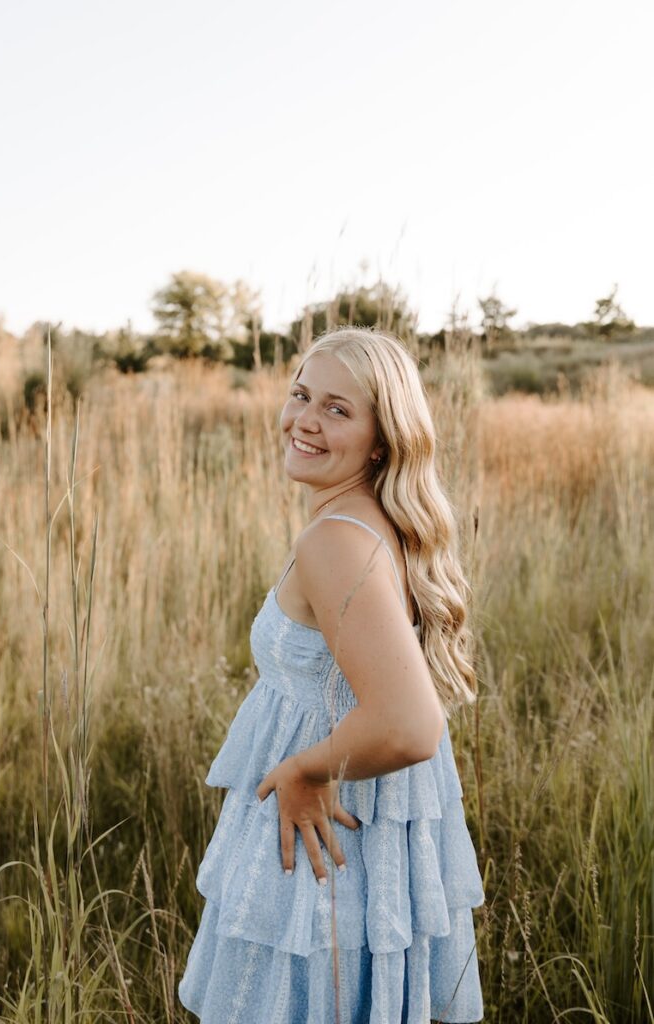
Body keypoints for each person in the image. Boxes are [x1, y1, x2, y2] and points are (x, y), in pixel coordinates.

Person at [178, 327, 485, 1023]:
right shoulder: (374, 522)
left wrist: (302, 771)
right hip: (361, 829)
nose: (303, 421)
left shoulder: (335, 541)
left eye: (337, 409)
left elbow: (408, 725)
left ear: (382, 437)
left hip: (327, 836)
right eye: (300, 395)